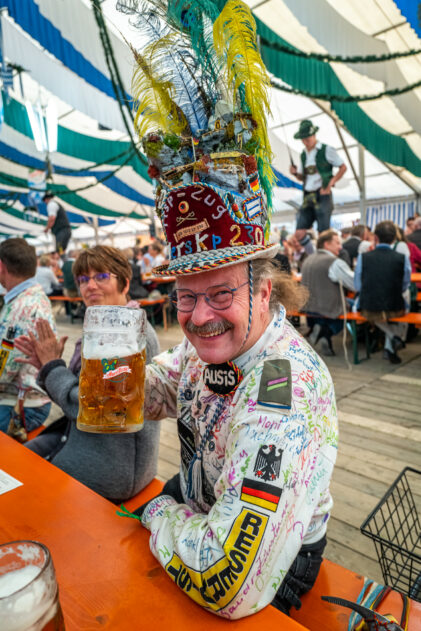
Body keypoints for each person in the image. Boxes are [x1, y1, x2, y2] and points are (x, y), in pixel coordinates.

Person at [118, 7, 339, 614]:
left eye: (221, 294)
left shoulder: (285, 396)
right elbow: (162, 387)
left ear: (264, 290)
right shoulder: (207, 348)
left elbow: (228, 582)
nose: (198, 317)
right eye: (186, 296)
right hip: (203, 503)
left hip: (268, 570)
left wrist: (159, 511)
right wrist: (108, 372)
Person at [14, 246, 161, 502]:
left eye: (101, 276)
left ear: (125, 283)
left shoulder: (130, 337)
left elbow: (91, 408)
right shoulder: (104, 326)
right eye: (83, 279)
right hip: (78, 439)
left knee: (19, 487)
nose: (89, 285)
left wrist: (52, 367)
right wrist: (45, 367)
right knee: (14, 463)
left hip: (112, 467)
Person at [0, 238, 55, 432]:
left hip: (20, 407)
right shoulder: (31, 296)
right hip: (26, 401)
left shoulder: (22, 306)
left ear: (1, 267)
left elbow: (5, 369)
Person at [355, 221, 411, 364]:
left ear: (375, 238)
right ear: (394, 239)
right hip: (395, 307)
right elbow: (405, 284)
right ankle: (393, 341)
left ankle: (391, 341)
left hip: (369, 307)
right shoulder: (402, 258)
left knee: (369, 314)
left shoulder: (363, 257)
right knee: (406, 306)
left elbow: (358, 285)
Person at [301, 229, 355, 355]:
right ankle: (327, 331)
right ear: (326, 244)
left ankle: (322, 331)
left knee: (338, 304)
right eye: (337, 243)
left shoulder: (308, 260)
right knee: (353, 306)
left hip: (308, 307)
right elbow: (354, 284)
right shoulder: (334, 262)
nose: (341, 247)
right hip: (327, 307)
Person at [289, 120, 347, 234]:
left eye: (308, 138)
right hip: (307, 195)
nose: (305, 142)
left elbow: (343, 167)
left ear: (314, 135)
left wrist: (330, 183)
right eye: (303, 139)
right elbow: (302, 178)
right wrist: (295, 173)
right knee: (299, 232)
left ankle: (323, 245)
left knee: (323, 232)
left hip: (323, 194)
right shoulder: (303, 154)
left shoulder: (327, 149)